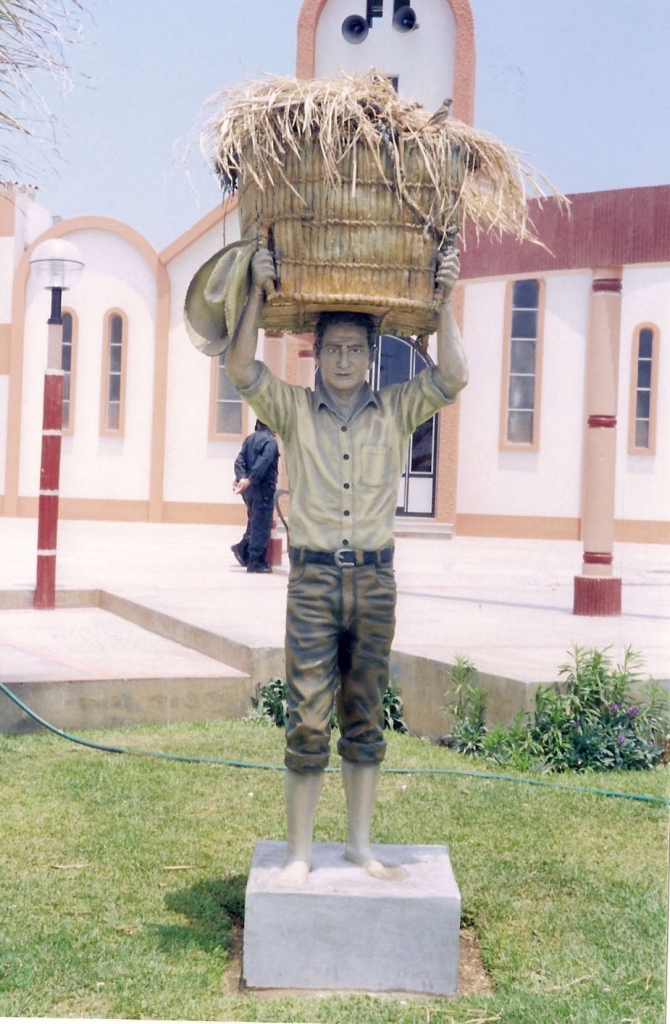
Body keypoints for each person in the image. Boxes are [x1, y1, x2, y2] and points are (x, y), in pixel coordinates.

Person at [225, 246, 468, 885]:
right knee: (307, 716)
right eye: (331, 348)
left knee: (365, 711)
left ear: (371, 355)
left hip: (374, 581)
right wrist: (255, 292)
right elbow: (241, 366)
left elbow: (453, 378)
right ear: (316, 352)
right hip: (311, 582)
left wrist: (443, 304)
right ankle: (299, 851)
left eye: (354, 349)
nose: (342, 360)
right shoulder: (295, 411)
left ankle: (361, 845)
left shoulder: (393, 410)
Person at [231, 419, 279, 574]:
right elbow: (263, 463)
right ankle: (255, 561)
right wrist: (251, 479)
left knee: (254, 521)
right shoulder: (270, 442)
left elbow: (239, 460)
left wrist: (242, 478)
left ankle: (242, 549)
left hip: (248, 490)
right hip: (262, 488)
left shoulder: (250, 438)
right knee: (262, 524)